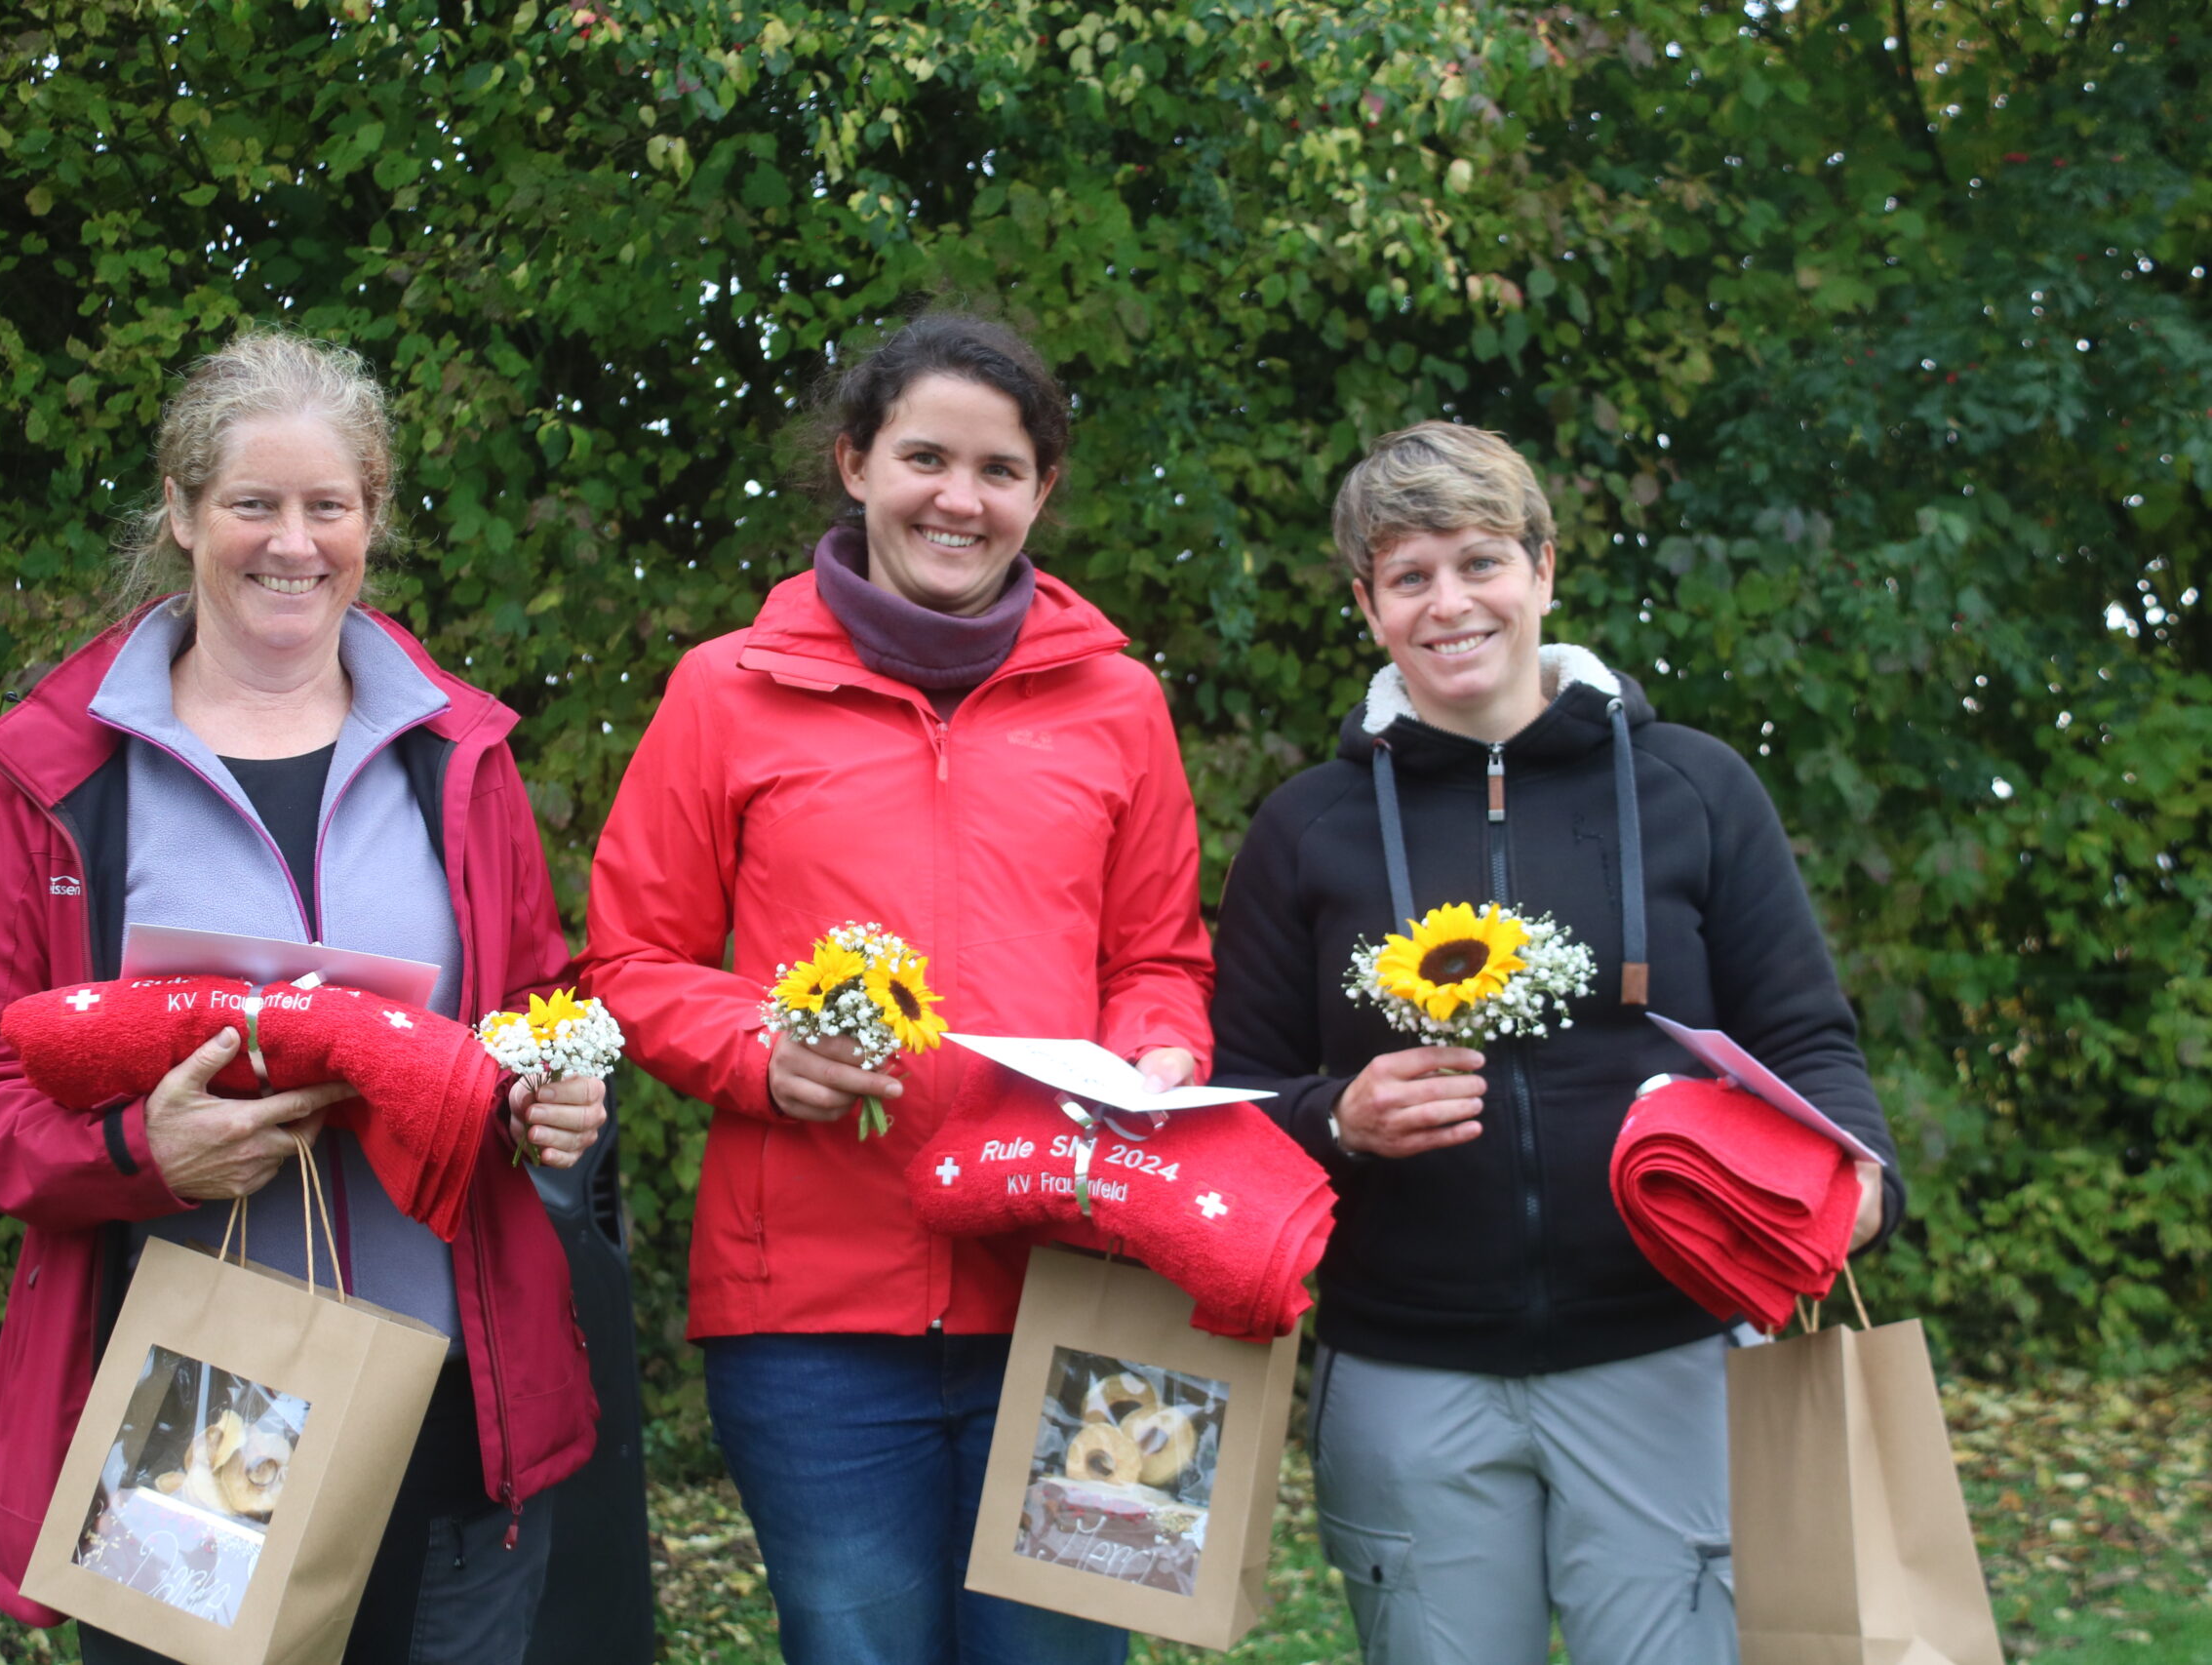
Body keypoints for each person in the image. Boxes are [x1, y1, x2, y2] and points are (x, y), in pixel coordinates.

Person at [0, 332, 606, 1663]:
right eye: (253, 503)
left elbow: (537, 1003)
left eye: (328, 504)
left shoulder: (459, 755)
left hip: (450, 1394)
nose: (294, 542)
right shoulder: (55, 773)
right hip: (183, 1402)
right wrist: (132, 1149)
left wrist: (557, 1091)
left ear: (372, 518)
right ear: (180, 511)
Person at [1210, 421, 1907, 1665]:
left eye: (1478, 560)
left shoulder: (1692, 786)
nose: (1449, 602)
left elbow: (1804, 1036)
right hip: (1406, 1370)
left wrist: (1860, 1180)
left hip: (1672, 1351)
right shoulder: (1304, 830)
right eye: (1407, 575)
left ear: (1542, 569)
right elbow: (1235, 1101)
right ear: (1367, 606)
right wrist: (1335, 1119)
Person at [577, 312, 1216, 1665]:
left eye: (999, 469)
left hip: (1076, 1287)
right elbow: (630, 962)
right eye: (926, 456)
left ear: (1041, 491)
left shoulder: (1120, 705)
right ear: (856, 462)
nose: (959, 497)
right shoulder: (723, 692)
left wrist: (1154, 1048)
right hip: (811, 1320)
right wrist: (757, 1047)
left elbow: (1157, 956)